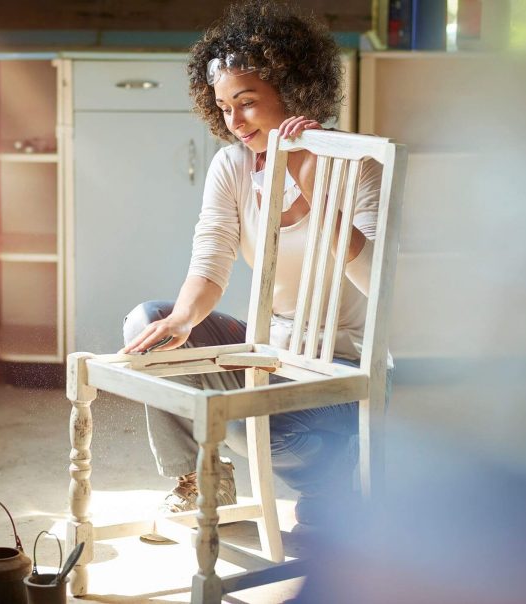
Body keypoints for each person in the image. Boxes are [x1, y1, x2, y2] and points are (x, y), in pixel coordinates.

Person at [120, 0, 385, 532]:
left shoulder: (361, 166)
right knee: (146, 320)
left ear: (292, 88)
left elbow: (375, 280)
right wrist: (183, 320)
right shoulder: (233, 165)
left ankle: (331, 486)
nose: (234, 123)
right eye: (222, 107)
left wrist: (314, 183)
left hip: (343, 367)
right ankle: (202, 479)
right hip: (272, 350)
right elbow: (211, 257)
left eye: (246, 103)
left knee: (256, 421)